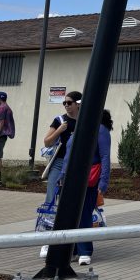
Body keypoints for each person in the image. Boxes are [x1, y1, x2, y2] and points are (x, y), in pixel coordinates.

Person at [59, 108, 112, 266]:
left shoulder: (100, 130)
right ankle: (73, 250)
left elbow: (105, 156)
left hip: (89, 179)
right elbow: (68, 154)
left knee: (83, 214)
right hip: (70, 178)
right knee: (68, 214)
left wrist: (103, 181)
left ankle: (85, 251)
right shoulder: (77, 130)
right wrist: (62, 175)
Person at [38, 90, 81, 258]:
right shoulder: (60, 120)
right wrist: (60, 130)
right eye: (64, 103)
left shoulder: (85, 120)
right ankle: (46, 241)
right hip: (59, 163)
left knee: (72, 202)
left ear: (78, 103)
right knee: (51, 199)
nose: (66, 106)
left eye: (69, 102)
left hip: (77, 165)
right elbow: (47, 141)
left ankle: (73, 243)